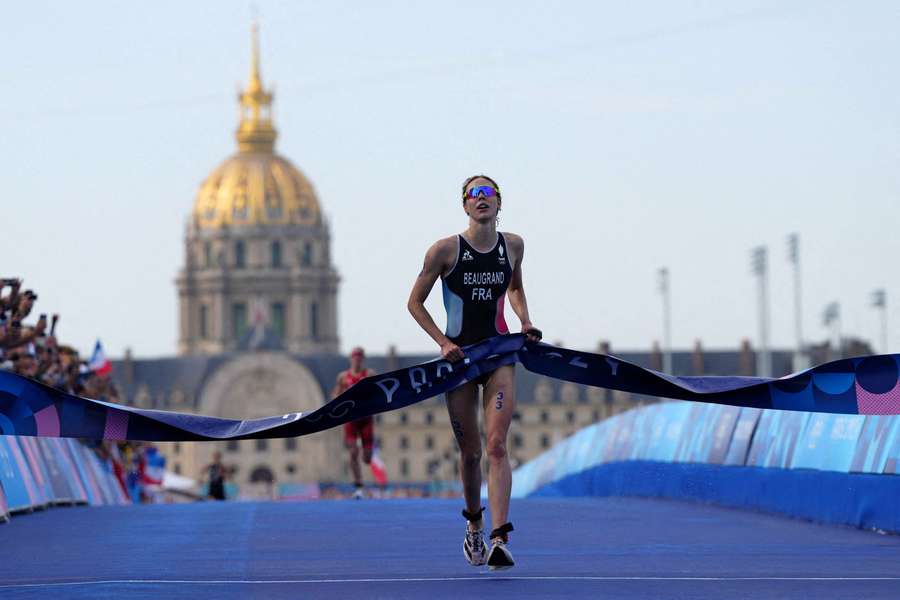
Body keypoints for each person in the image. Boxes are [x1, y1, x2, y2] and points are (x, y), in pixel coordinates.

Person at [407, 174, 541, 571]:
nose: (481, 199)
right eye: (473, 194)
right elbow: (415, 303)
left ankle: (501, 537)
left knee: (498, 444)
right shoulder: (444, 251)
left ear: (500, 203)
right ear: (464, 206)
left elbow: (514, 288)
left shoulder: (513, 246)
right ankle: (475, 526)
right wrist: (442, 343)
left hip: (499, 354)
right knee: (471, 453)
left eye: (488, 193)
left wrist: (526, 321)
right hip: (460, 361)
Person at [331, 347, 375, 500]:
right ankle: (358, 486)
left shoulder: (369, 374)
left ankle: (365, 459)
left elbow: (377, 392)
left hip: (366, 419)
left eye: (359, 357)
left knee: (367, 458)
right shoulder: (343, 377)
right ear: (351, 359)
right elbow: (335, 394)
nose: (356, 360)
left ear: (362, 359)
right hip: (350, 419)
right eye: (354, 357)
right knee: (353, 452)